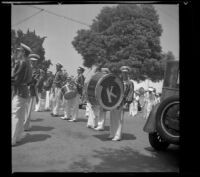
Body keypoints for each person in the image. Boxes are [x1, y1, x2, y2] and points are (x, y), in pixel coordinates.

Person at [12, 43, 32, 146]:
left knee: (15, 114)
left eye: (20, 51)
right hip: (24, 90)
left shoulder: (21, 62)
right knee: (19, 115)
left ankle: (12, 138)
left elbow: (16, 79)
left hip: (19, 90)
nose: (18, 52)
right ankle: (18, 136)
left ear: (23, 52)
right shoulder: (28, 63)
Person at [109, 66, 134, 141]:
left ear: (128, 73)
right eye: (123, 73)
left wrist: (127, 103)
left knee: (119, 119)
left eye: (126, 73)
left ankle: (118, 135)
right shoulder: (118, 81)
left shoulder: (130, 83)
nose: (124, 74)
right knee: (112, 117)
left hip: (122, 102)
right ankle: (112, 133)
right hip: (114, 102)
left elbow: (130, 93)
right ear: (121, 73)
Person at [24, 53, 40, 131]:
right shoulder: (26, 67)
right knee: (23, 108)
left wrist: (37, 96)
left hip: (31, 90)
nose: (33, 62)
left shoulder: (37, 71)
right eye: (32, 61)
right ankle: (23, 124)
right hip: (24, 89)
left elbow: (34, 82)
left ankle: (25, 126)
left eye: (34, 61)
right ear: (29, 60)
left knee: (28, 109)